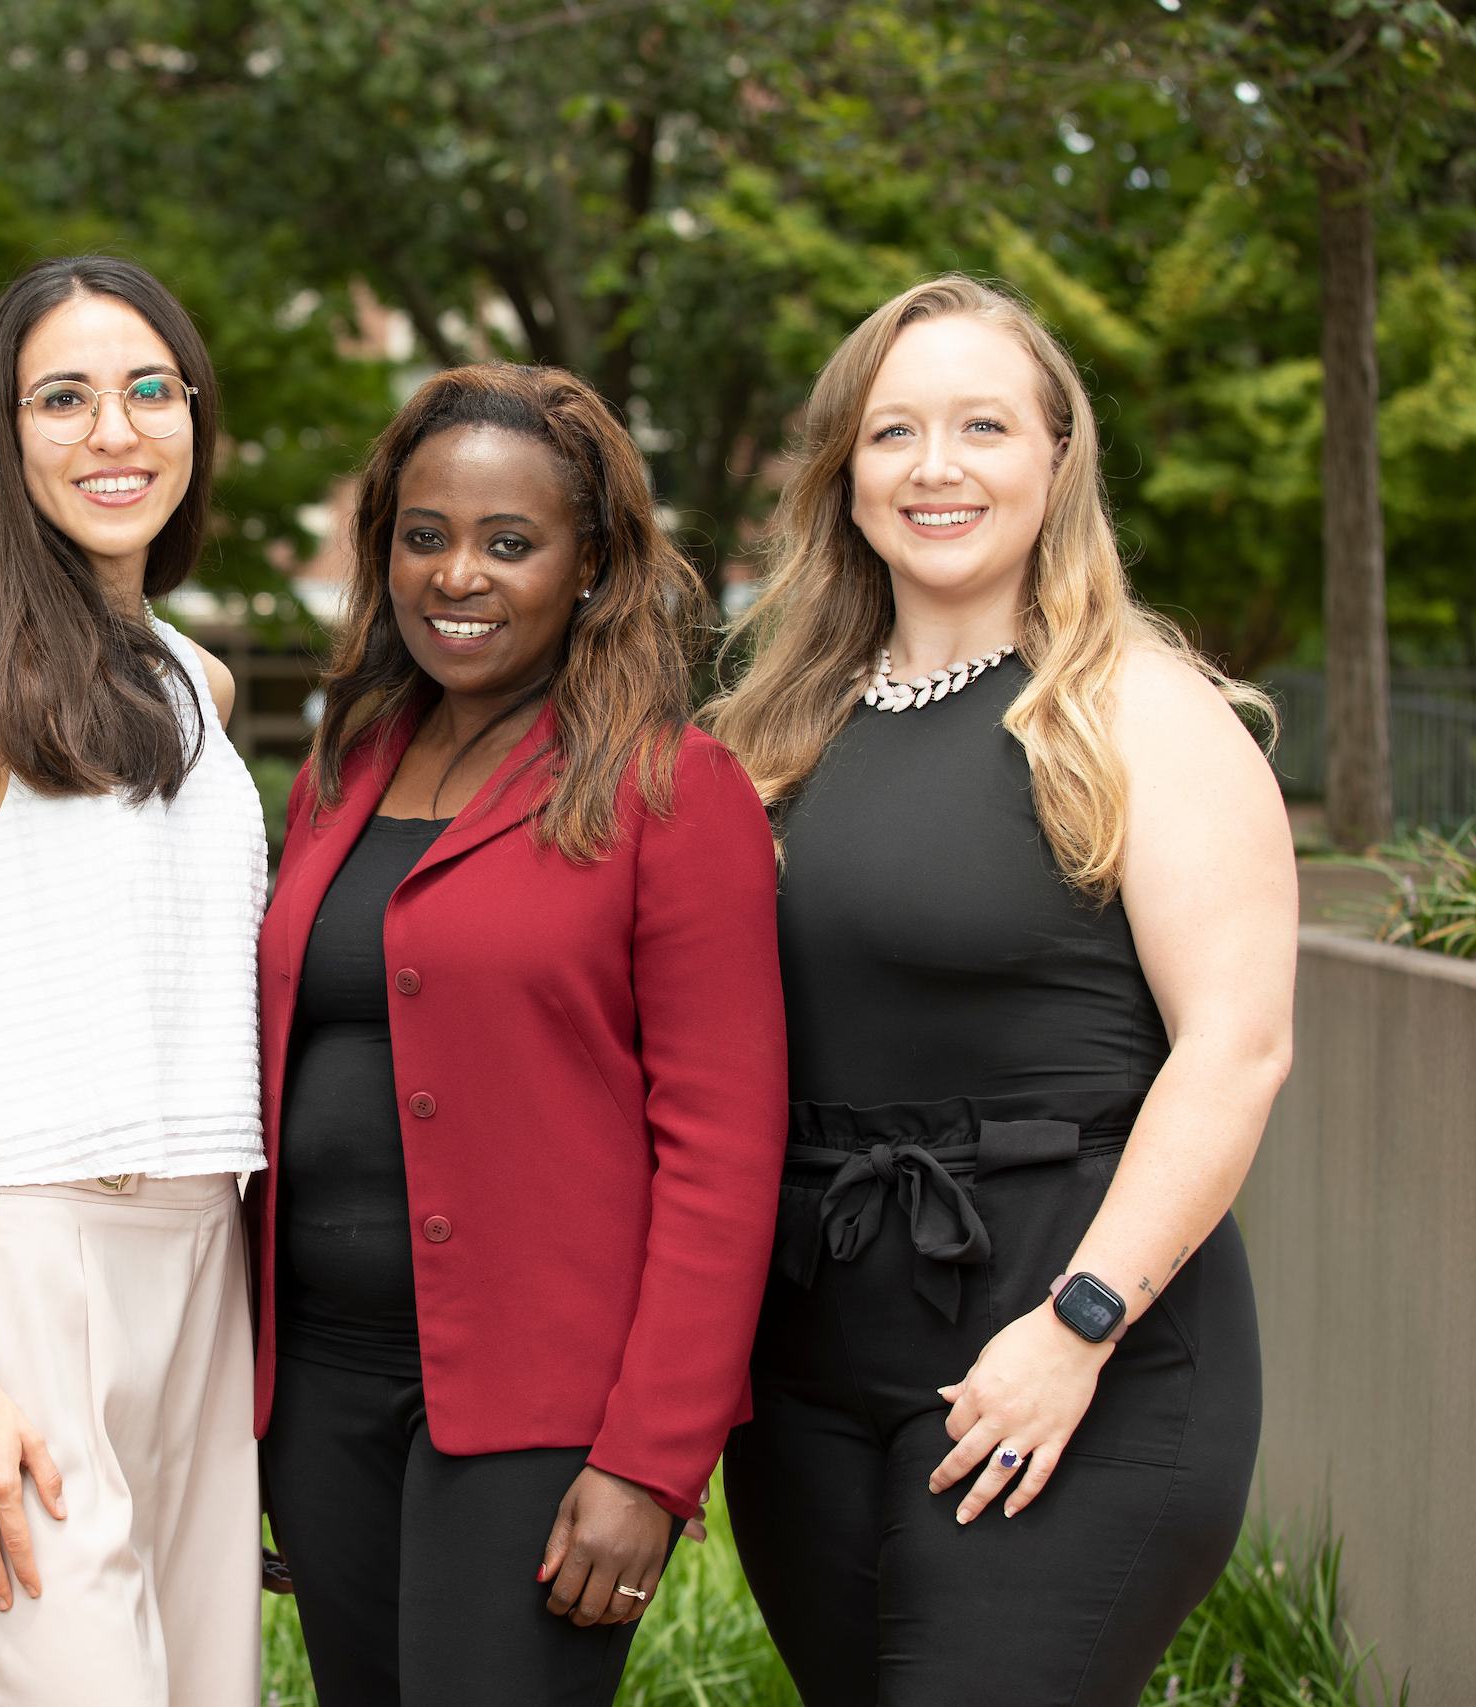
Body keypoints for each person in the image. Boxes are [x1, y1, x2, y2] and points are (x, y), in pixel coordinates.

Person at [705, 275, 1294, 1706]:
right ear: (846, 477)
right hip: (813, 1367)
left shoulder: (1140, 707)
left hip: (1077, 1338)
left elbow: (1236, 1049)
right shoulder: (779, 730)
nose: (939, 467)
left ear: (1055, 458)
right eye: (895, 432)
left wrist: (1080, 1324)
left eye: (984, 426)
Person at [253, 363, 789, 1707]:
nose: (458, 577)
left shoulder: (676, 790)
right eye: (423, 537)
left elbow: (727, 1153)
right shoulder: (343, 767)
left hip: (543, 1417)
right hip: (321, 1387)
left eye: (510, 543)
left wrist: (652, 1463)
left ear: (592, 564)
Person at [0, 255, 267, 1706]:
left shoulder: (199, 684)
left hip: (203, 1259)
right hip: (22, 1260)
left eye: (151, 391)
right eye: (65, 398)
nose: (115, 432)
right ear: (6, 434)